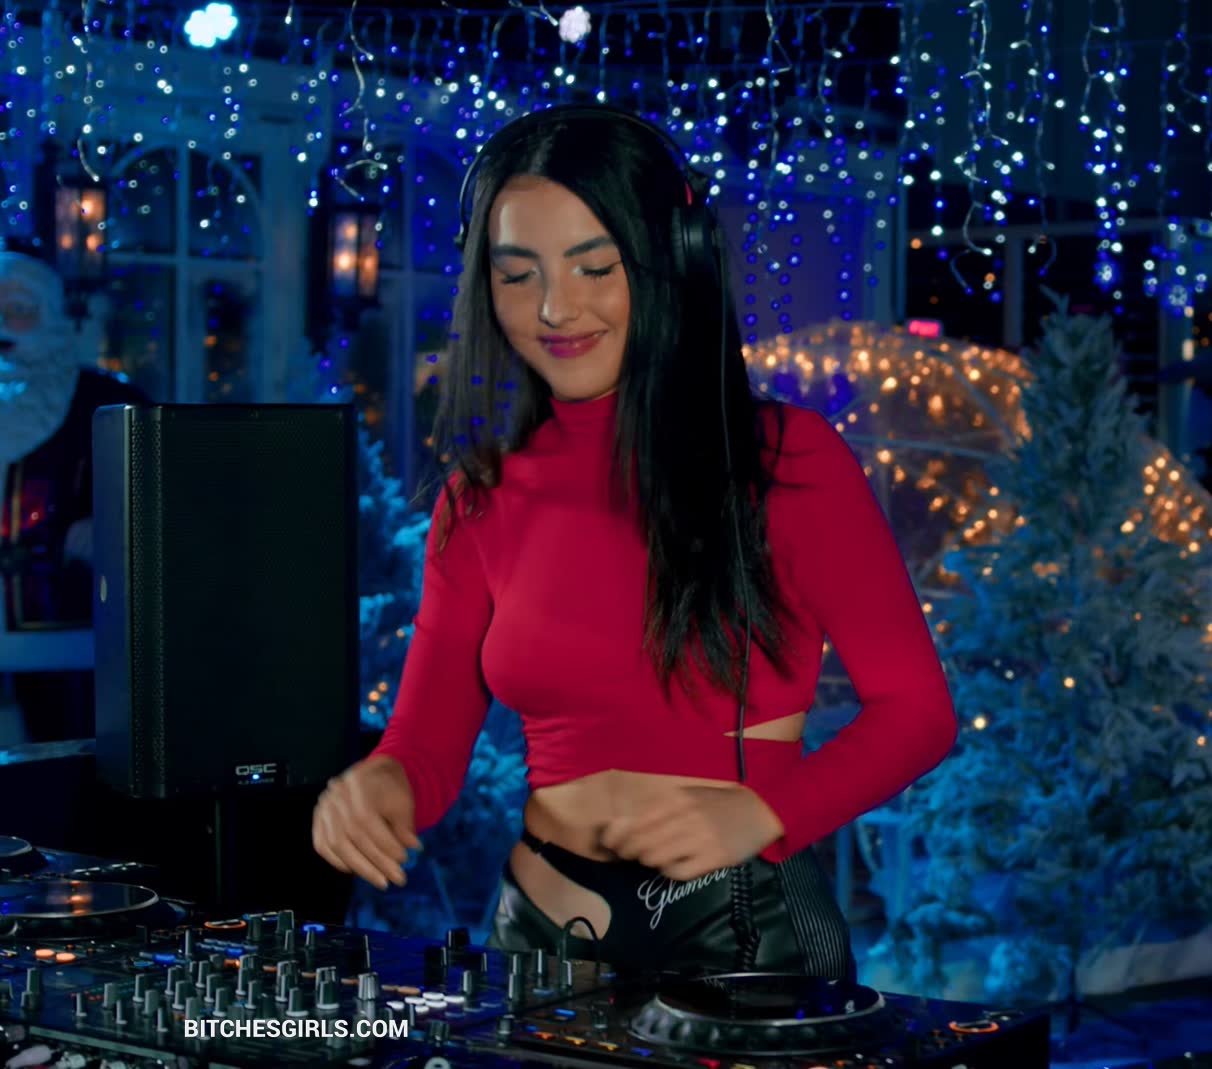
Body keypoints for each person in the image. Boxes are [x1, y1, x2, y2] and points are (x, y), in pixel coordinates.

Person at [309, 105, 958, 981]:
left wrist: (770, 810)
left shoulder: (786, 461)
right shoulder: (478, 499)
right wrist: (382, 784)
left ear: (672, 262)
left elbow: (918, 712)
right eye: (517, 274)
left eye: (595, 267)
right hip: (540, 927)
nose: (554, 308)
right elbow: (425, 747)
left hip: (740, 926)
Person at [0, 250, 147, 742]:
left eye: (19, 309)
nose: (3, 326)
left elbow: (163, 502)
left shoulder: (107, 403)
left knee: (63, 760)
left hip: (68, 636)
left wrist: (111, 526)